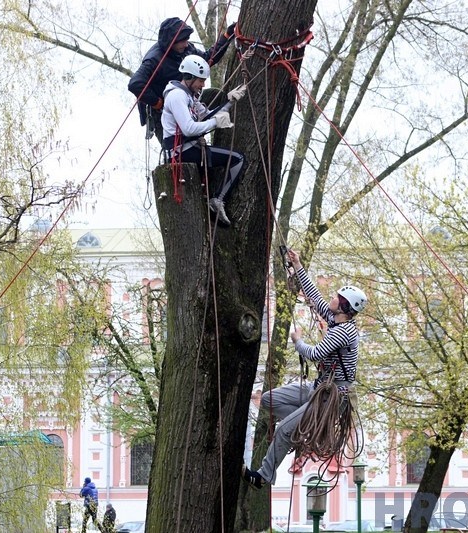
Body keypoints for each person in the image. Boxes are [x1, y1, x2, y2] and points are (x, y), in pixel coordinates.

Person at [241, 248, 367, 489]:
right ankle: (300, 427)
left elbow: (316, 353)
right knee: (267, 400)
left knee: (282, 432)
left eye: (336, 296)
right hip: (319, 388)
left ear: (343, 306)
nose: (331, 297)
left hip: (331, 397)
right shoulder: (335, 319)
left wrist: (297, 341)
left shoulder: (344, 332)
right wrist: (297, 265)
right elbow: (315, 296)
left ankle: (263, 477)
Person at [161, 54, 246, 226]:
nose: (203, 85)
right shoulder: (177, 96)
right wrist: (215, 122)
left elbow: (207, 115)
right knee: (237, 159)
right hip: (181, 152)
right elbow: (189, 128)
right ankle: (218, 199)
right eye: (200, 80)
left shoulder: (189, 96)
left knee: (236, 158)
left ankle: (215, 199)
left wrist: (229, 102)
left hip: (186, 148)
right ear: (189, 77)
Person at [128, 17, 236, 138]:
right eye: (182, 41)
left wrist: (226, 37)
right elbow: (135, 83)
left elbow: (206, 59)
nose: (186, 44)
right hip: (164, 112)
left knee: (217, 96)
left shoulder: (186, 49)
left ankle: (221, 138)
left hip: (188, 101)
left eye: (186, 40)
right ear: (171, 41)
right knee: (176, 147)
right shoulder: (154, 59)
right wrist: (158, 103)